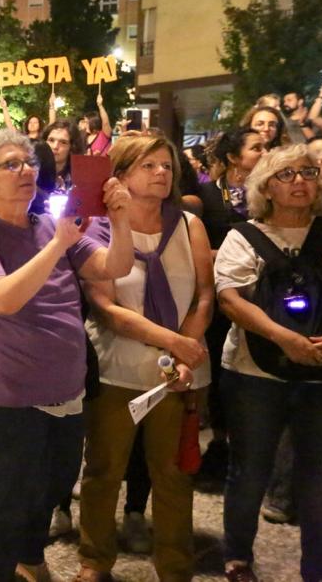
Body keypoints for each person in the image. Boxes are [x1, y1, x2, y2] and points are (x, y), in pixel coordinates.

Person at [0, 128, 133, 582]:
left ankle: (30, 556)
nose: (25, 171)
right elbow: (1, 298)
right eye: (10, 164)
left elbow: (115, 267)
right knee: (9, 493)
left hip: (64, 387)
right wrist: (58, 245)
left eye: (28, 162)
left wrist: (122, 218)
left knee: (53, 485)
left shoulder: (49, 225)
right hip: (6, 391)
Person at [77, 134, 214, 582]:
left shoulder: (189, 225)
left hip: (178, 374)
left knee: (173, 475)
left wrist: (186, 352)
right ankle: (94, 561)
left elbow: (205, 295)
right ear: (121, 175)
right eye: (149, 166)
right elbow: (107, 307)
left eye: (167, 166)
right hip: (118, 367)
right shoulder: (99, 228)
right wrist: (173, 342)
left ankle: (175, 567)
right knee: (103, 471)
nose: (162, 173)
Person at [214, 145, 322, 582]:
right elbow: (230, 300)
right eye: (287, 174)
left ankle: (319, 568)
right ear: (265, 186)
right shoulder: (243, 236)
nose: (300, 181)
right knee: (249, 470)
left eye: (307, 171)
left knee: (321, 477)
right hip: (252, 373)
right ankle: (238, 557)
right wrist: (283, 337)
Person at [197, 127, 267, 481]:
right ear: (233, 158)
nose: (264, 152)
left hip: (262, 295)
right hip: (217, 295)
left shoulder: (268, 197)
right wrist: (227, 256)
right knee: (221, 370)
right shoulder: (206, 195)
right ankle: (220, 442)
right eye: (256, 148)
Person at [42, 121, 86, 191]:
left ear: (72, 147)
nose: (55, 146)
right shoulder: (33, 173)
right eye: (51, 140)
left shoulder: (80, 177)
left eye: (63, 142)